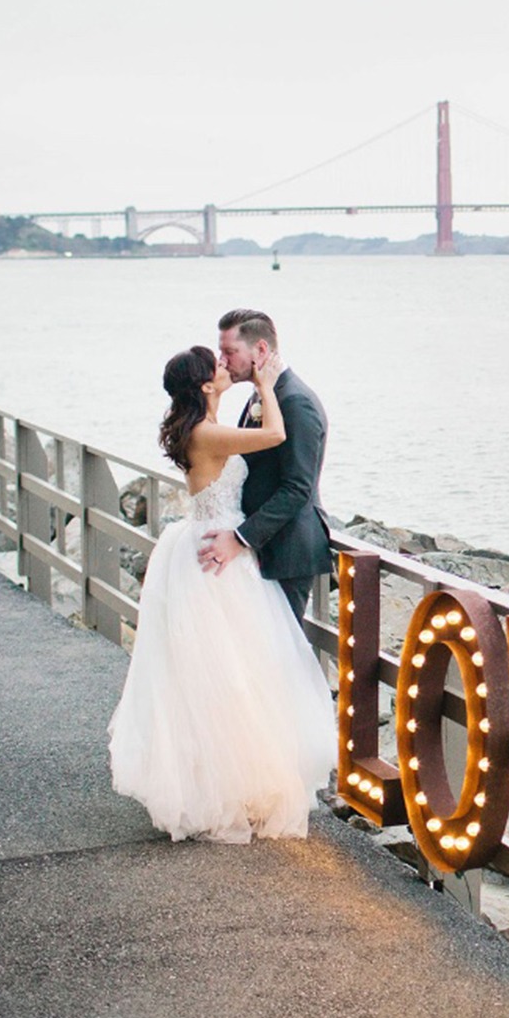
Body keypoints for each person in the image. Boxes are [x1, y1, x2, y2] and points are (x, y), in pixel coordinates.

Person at [108, 345, 337, 843]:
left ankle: (236, 784)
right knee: (232, 676)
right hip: (220, 552)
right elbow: (275, 435)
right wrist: (266, 383)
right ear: (206, 385)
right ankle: (229, 789)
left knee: (232, 674)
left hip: (217, 545)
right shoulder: (207, 433)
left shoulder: (203, 425)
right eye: (215, 363)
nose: (223, 364)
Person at [197, 309, 331, 627]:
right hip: (262, 547)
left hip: (287, 551)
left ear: (260, 350)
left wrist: (241, 538)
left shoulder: (296, 402)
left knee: (283, 654)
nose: (223, 360)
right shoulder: (265, 393)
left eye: (230, 351)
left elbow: (298, 487)